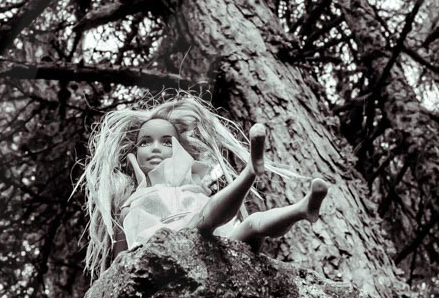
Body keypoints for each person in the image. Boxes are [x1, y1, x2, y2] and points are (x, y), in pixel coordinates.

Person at [77, 92, 330, 278]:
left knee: (253, 224)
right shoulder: (130, 204)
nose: (155, 147)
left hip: (220, 247)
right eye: (145, 142)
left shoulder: (194, 188)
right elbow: (119, 264)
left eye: (166, 142)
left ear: (180, 148)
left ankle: (302, 209)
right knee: (203, 221)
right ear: (134, 152)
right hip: (169, 253)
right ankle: (251, 172)